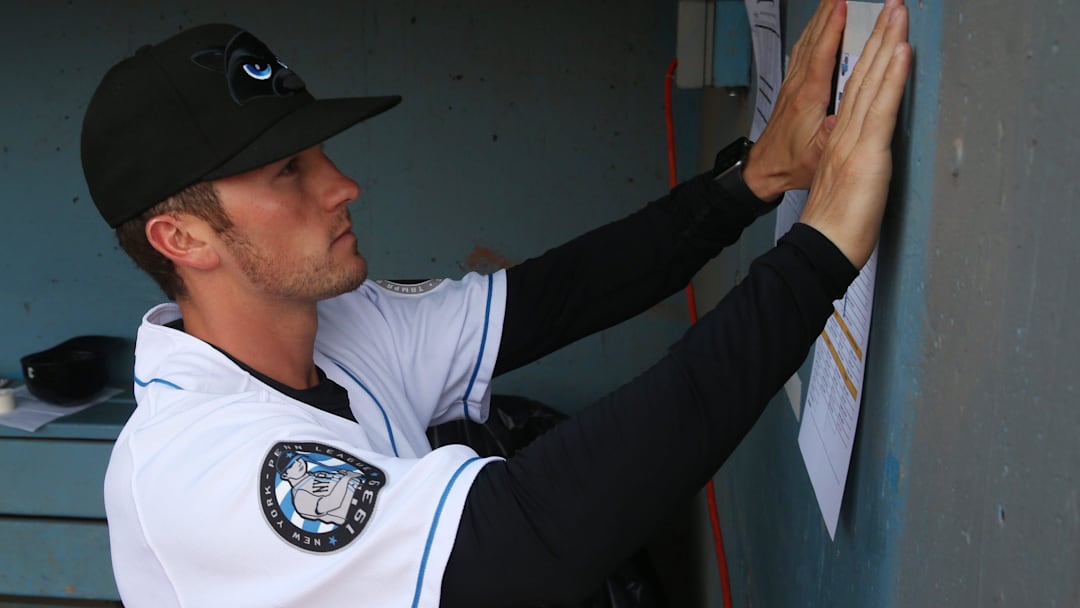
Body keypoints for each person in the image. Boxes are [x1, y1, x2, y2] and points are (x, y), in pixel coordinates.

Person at [80, 0, 910, 605]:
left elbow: (556, 297)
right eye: (287, 173)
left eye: (318, 152)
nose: (343, 186)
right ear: (182, 240)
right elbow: (527, 538)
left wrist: (756, 178)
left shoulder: (334, 325)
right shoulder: (195, 471)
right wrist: (821, 249)